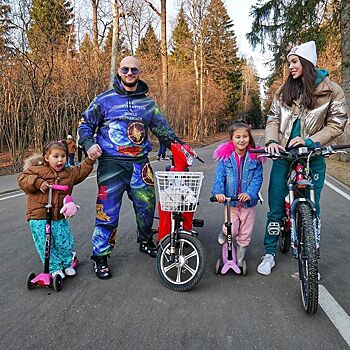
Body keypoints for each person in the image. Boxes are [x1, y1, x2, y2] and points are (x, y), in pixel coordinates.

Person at [78, 56, 183, 280]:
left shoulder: (148, 104)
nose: (129, 73)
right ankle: (101, 256)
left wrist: (178, 145)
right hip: (111, 164)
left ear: (139, 72)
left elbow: (163, 129)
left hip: (140, 164)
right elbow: (85, 124)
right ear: (119, 70)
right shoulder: (104, 100)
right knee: (107, 211)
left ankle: (145, 241)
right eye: (125, 69)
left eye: (133, 69)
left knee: (147, 206)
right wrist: (88, 144)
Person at [257, 41, 348, 275]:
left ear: (307, 63)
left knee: (312, 208)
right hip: (284, 155)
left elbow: (336, 125)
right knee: (275, 206)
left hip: (313, 155)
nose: (290, 67)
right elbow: (273, 119)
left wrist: (310, 141)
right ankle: (269, 253)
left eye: (294, 62)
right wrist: (271, 141)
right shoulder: (283, 90)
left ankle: (311, 258)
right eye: (289, 62)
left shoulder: (333, 91)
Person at [18, 140, 95, 278]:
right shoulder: (37, 170)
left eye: (63, 156)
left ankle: (66, 263)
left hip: (58, 215)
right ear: (47, 158)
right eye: (56, 156)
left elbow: (81, 171)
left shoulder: (68, 173)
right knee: (45, 244)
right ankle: (54, 268)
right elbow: (23, 179)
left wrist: (90, 160)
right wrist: (37, 182)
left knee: (63, 240)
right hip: (39, 215)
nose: (60, 160)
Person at [211, 121, 263, 266]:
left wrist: (250, 193)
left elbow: (257, 179)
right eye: (238, 137)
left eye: (245, 136)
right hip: (231, 202)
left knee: (245, 231)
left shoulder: (254, 158)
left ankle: (240, 253)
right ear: (231, 139)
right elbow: (219, 177)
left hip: (248, 203)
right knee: (231, 228)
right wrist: (218, 193)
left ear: (249, 138)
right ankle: (225, 233)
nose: (242, 140)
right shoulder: (225, 158)